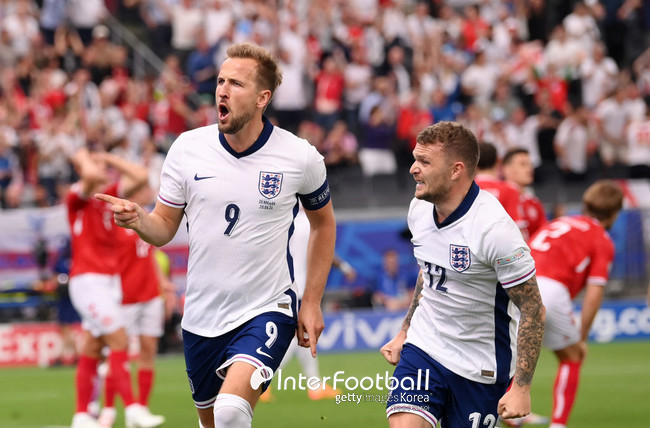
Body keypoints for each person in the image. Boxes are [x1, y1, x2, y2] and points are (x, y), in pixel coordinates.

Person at [96, 42, 337, 428]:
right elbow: (163, 228)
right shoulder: (187, 149)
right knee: (212, 422)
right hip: (202, 318)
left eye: (236, 84)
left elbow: (324, 224)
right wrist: (141, 219)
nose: (222, 90)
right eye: (221, 81)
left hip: (267, 308)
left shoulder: (300, 157)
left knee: (230, 413)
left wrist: (311, 301)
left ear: (263, 97)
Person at [380, 122, 545, 428]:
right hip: (425, 349)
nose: (414, 169)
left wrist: (521, 388)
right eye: (416, 159)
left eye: (425, 162)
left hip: (480, 367)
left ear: (456, 170)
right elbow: (428, 273)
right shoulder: (418, 209)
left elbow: (533, 309)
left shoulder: (495, 230)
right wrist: (405, 331)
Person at [67, 148, 164, 428]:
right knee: (119, 341)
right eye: (98, 167)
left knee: (93, 347)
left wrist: (105, 156)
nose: (103, 170)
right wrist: (85, 157)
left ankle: (82, 415)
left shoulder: (106, 197)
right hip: (88, 281)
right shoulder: (79, 197)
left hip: (109, 284)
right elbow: (90, 175)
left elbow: (141, 175)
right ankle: (133, 409)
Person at [528, 180, 624, 428]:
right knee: (572, 356)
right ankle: (558, 425)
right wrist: (581, 336)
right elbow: (594, 294)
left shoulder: (557, 223)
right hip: (550, 288)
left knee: (511, 354)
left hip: (516, 284)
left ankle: (504, 416)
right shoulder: (602, 239)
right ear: (614, 213)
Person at [261, 204, 356, 403]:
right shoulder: (307, 223)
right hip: (302, 291)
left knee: (303, 339)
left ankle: (315, 385)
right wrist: (346, 268)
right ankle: (264, 380)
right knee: (296, 340)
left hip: (284, 288)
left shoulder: (284, 221)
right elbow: (324, 251)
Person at [98, 188, 170, 428]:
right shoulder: (115, 222)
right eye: (142, 189)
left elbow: (150, 254)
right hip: (125, 298)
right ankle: (108, 409)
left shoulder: (147, 219)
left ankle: (141, 408)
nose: (148, 192)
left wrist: (163, 284)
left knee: (148, 350)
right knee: (118, 355)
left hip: (150, 295)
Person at [475, 142, 525, 233]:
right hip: (501, 244)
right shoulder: (510, 189)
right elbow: (518, 228)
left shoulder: (465, 189)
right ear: (498, 161)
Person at [502, 148, 548, 242]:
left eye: (530, 165)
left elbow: (543, 234)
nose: (529, 169)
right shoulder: (496, 199)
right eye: (523, 164)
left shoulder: (534, 202)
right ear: (506, 169)